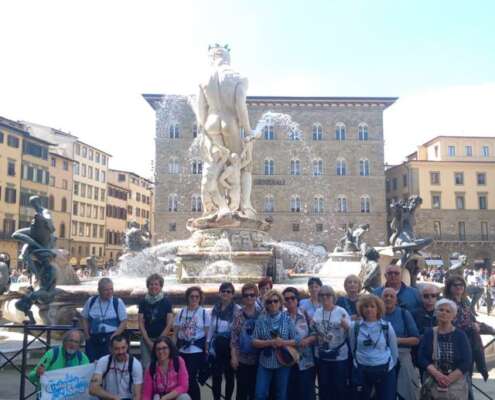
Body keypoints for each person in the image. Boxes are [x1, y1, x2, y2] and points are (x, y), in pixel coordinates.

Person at [418, 299, 471, 400]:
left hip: (455, 385)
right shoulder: (429, 333)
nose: (444, 313)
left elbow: (466, 361)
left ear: (454, 316)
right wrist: (437, 375)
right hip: (432, 382)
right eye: (441, 310)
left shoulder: (460, 335)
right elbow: (421, 357)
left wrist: (449, 379)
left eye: (448, 311)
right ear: (436, 313)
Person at [444, 276, 487, 399]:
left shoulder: (465, 301)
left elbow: (472, 319)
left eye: (461, 285)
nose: (459, 287)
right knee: (461, 378)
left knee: (468, 377)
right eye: (455, 285)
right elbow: (449, 323)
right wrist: (472, 326)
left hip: (470, 344)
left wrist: (488, 329)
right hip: (455, 346)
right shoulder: (447, 303)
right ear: (449, 287)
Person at [349, 294, 398, 400]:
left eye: (372, 306)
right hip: (361, 370)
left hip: (385, 371)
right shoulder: (354, 327)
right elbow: (353, 347)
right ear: (361, 309)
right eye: (366, 306)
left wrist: (389, 366)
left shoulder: (386, 327)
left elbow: (394, 351)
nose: (369, 309)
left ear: (378, 309)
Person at [252, 289, 297, 400]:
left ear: (280, 302)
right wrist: (269, 342)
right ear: (266, 304)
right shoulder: (261, 319)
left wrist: (283, 342)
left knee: (281, 395)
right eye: (269, 302)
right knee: (259, 394)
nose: (273, 304)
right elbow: (253, 341)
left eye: (275, 301)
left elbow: (296, 340)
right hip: (265, 362)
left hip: (283, 362)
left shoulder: (287, 319)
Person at [311, 285, 350, 400]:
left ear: (333, 296)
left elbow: (351, 331)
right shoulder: (318, 312)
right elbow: (314, 329)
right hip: (322, 356)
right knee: (324, 387)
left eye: (328, 295)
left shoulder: (341, 311)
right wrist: (312, 325)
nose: (325, 297)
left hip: (339, 356)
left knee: (339, 387)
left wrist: (346, 326)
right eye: (322, 295)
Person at [381, 288, 420, 400]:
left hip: (402, 356)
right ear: (381, 299)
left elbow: (416, 339)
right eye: (385, 296)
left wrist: (395, 340)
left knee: (406, 393)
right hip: (380, 357)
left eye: (391, 296)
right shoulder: (375, 314)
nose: (388, 298)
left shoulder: (404, 314)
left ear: (396, 300)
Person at [174, 286, 210, 400]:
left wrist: (206, 350)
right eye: (192, 296)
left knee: (191, 377)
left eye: (197, 296)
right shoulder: (181, 312)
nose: (194, 299)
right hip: (182, 350)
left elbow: (207, 334)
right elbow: (175, 333)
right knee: (183, 378)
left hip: (196, 350)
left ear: (200, 298)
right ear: (187, 298)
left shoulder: (203, 313)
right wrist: (173, 349)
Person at [208, 282, 241, 400]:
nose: (226, 293)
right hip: (217, 345)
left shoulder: (237, 309)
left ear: (232, 294)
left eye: (228, 291)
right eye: (223, 291)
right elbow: (211, 327)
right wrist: (208, 344)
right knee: (216, 376)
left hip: (230, 345)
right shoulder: (215, 308)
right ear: (219, 293)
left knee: (229, 375)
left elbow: (237, 330)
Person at [81, 277, 128, 361]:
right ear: (99, 290)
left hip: (110, 339)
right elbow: (84, 318)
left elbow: (124, 322)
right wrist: (87, 335)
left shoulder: (118, 302)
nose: (110, 292)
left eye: (111, 289)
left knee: (108, 363)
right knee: (91, 363)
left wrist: (114, 336)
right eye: (106, 290)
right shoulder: (91, 301)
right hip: (93, 339)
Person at [283, 287, 316, 400]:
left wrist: (307, 340)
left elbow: (315, 333)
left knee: (307, 393)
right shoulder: (281, 317)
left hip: (306, 361)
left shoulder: (305, 315)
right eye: (287, 299)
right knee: (291, 393)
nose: (290, 300)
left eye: (292, 298)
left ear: (297, 299)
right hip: (288, 361)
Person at [231, 283, 261, 400]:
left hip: (259, 359)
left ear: (256, 296)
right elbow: (234, 338)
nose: (249, 297)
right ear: (243, 297)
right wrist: (234, 357)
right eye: (246, 295)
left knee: (255, 391)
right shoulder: (238, 314)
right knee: (241, 391)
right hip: (242, 359)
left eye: (252, 295)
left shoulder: (262, 313)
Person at [90, 334, 143, 400]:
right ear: (110, 349)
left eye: (123, 348)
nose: (120, 352)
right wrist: (113, 397)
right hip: (107, 397)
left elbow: (137, 395)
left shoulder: (135, 364)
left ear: (127, 347)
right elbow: (92, 389)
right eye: (116, 349)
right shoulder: (103, 361)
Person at [139, 274, 174, 368]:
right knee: (146, 366)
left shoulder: (166, 302)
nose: (153, 286)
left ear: (160, 286)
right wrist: (148, 341)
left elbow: (169, 323)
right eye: (151, 284)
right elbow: (141, 323)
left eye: (156, 284)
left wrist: (159, 341)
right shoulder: (143, 302)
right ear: (148, 286)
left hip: (162, 340)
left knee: (162, 365)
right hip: (146, 340)